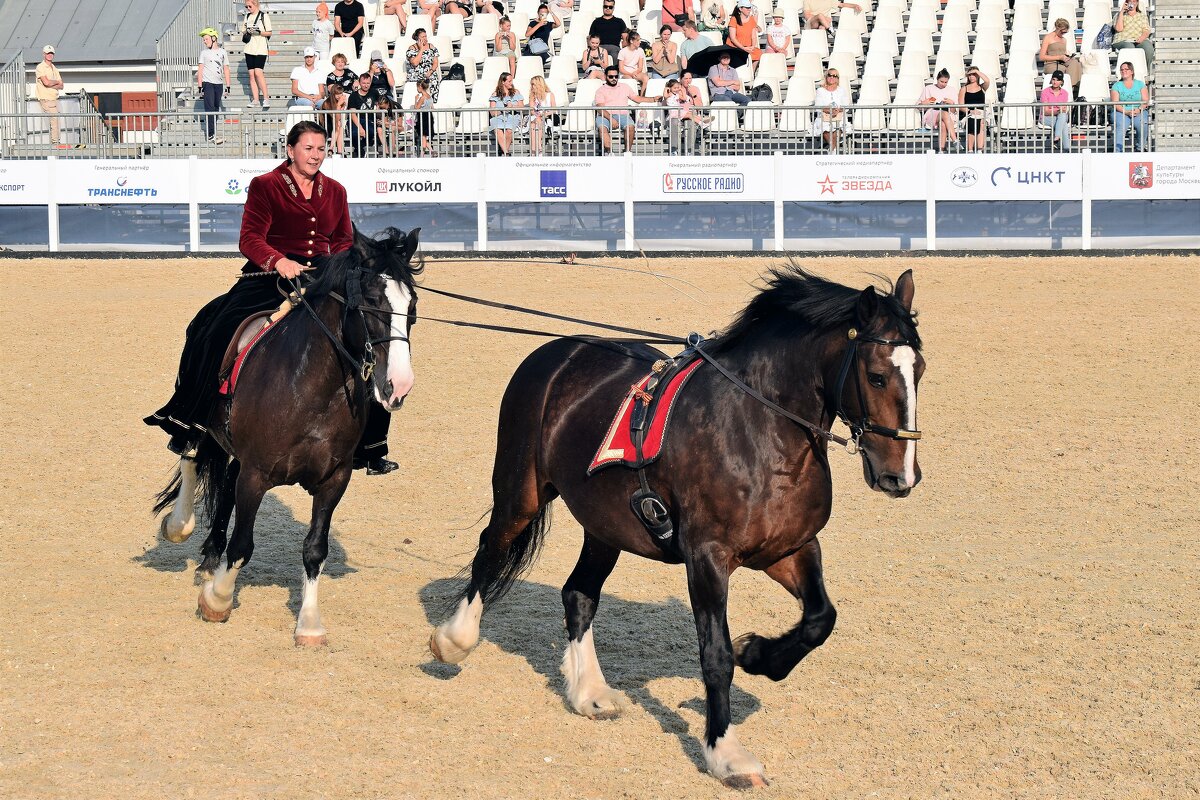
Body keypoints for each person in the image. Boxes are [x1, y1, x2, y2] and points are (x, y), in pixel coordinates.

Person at [145, 122, 400, 476]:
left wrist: (346, 268)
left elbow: (342, 241)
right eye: (308, 148)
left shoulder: (336, 191)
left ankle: (370, 447)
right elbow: (249, 238)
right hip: (269, 277)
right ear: (291, 150)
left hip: (322, 277)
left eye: (321, 149)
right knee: (215, 327)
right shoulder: (265, 186)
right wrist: (278, 260)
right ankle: (193, 424)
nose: (315, 155)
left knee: (369, 336)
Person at [594, 65, 661, 154]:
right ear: (606, 77)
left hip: (622, 115)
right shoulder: (600, 90)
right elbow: (600, 108)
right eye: (611, 76)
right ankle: (609, 153)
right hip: (605, 115)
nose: (614, 78)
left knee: (631, 126)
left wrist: (653, 99)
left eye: (616, 76)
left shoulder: (625, 87)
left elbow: (637, 98)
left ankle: (627, 152)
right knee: (602, 129)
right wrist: (611, 119)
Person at [197, 28, 230, 145]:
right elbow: (200, 69)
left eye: (206, 39)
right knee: (210, 108)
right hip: (208, 83)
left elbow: (226, 68)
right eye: (204, 39)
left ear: (214, 38)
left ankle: (213, 134)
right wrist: (200, 86)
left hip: (219, 84)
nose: (204, 41)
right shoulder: (204, 53)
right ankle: (210, 135)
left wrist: (228, 85)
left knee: (216, 108)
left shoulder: (223, 52)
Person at [1111, 61, 1149, 153]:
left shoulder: (1140, 84)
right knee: (1121, 125)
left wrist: (1139, 109)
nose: (1123, 71)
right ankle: (1118, 151)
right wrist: (1126, 112)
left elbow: (1145, 101)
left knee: (1142, 123)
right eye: (1121, 70)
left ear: (1132, 71)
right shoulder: (1116, 86)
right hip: (1121, 111)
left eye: (1126, 69)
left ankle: (1140, 148)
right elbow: (1115, 103)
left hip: (1138, 110)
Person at [920, 68, 959, 153]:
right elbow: (918, 106)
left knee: (943, 124)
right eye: (941, 81)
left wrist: (952, 103)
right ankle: (955, 140)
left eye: (946, 82)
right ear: (937, 79)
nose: (943, 84)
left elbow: (954, 110)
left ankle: (941, 150)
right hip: (932, 114)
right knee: (944, 114)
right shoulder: (928, 88)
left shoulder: (951, 89)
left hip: (948, 115)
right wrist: (925, 102)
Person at [242, 0, 272, 109]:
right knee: (251, 74)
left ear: (255, 4)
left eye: (249, 6)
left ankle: (266, 98)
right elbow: (243, 30)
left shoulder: (264, 16)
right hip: (249, 48)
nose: (248, 8)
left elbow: (269, 32)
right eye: (246, 7)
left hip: (261, 48)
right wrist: (248, 31)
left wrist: (259, 32)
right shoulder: (247, 16)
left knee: (258, 73)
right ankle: (255, 99)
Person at [1039, 18, 1081, 92]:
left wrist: (1067, 57)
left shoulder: (1064, 40)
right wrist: (1059, 57)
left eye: (1065, 33)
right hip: (1051, 63)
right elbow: (1042, 57)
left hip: (1063, 62)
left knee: (1076, 63)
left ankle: (1073, 88)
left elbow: (1063, 53)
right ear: (1058, 28)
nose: (1063, 34)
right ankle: (1068, 89)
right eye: (1062, 32)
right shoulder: (1048, 38)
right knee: (1063, 70)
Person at [814, 66, 849, 153]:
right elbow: (818, 106)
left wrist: (838, 110)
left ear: (837, 78)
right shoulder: (820, 90)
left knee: (838, 127)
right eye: (829, 75)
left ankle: (831, 151)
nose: (831, 77)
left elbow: (846, 106)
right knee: (825, 128)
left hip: (838, 116)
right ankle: (834, 151)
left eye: (834, 76)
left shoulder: (842, 90)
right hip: (824, 117)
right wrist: (829, 110)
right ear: (826, 77)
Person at [488, 72, 524, 155]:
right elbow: (492, 112)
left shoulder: (516, 92)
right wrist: (503, 109)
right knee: (497, 129)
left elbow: (522, 107)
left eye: (512, 81)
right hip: (499, 117)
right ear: (503, 82)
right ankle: (506, 153)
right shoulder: (495, 94)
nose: (511, 83)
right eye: (509, 81)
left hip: (513, 116)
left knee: (509, 130)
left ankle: (504, 153)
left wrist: (512, 107)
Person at [35, 45, 64, 145]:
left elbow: (61, 86)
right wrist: (55, 82)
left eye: (51, 53)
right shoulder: (40, 67)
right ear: (44, 54)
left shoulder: (54, 68)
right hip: (46, 99)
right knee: (54, 120)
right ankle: (55, 142)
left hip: (54, 98)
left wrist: (51, 83)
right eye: (48, 53)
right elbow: (46, 83)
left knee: (57, 121)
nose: (50, 55)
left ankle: (56, 141)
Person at [348, 72, 380, 156]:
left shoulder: (374, 92)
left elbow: (379, 105)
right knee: (355, 134)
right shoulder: (353, 96)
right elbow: (353, 113)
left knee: (370, 131)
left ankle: (364, 149)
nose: (366, 85)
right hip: (356, 120)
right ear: (359, 83)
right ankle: (360, 152)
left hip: (369, 120)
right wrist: (360, 128)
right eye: (364, 83)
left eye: (368, 83)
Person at [1113, 0, 1153, 66]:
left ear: (1137, 3)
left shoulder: (1142, 16)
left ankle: (1144, 71)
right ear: (1126, 3)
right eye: (1130, 1)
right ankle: (1131, 71)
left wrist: (1142, 38)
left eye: (1134, 1)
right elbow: (1119, 29)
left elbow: (1146, 30)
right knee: (1130, 47)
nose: (1132, 3)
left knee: (1148, 48)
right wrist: (1122, 12)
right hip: (1123, 39)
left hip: (1138, 39)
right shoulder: (1118, 15)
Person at [405, 29, 441, 103]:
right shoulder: (412, 48)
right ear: (417, 38)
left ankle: (432, 103)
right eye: (422, 36)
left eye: (425, 36)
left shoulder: (431, 46)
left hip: (429, 73)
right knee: (418, 82)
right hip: (416, 74)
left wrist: (430, 71)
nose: (425, 38)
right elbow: (415, 63)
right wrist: (421, 49)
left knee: (433, 80)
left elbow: (435, 62)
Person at [959, 65, 989, 153]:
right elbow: (961, 105)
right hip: (969, 113)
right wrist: (970, 110)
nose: (972, 76)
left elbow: (987, 80)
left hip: (981, 113)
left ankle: (980, 149)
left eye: (974, 74)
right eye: (970, 75)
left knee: (981, 123)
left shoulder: (982, 87)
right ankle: (970, 149)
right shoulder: (964, 89)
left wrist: (977, 71)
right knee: (972, 121)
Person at [1040, 69, 1070, 153]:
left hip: (1059, 116)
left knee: (1063, 116)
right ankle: (1067, 149)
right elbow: (1045, 111)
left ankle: (1056, 138)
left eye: (1058, 80)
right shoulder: (1045, 92)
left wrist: (1056, 110)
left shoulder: (1065, 93)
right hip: (1046, 117)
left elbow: (1064, 110)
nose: (1055, 82)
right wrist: (1058, 110)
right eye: (1053, 79)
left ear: (1061, 82)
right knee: (1063, 122)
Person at [527, 75, 557, 156]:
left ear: (538, 85)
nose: (531, 86)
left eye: (533, 84)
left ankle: (534, 152)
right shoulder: (532, 96)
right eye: (531, 84)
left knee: (537, 121)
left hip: (547, 117)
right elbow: (531, 110)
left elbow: (554, 109)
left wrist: (544, 114)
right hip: (536, 117)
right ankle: (538, 149)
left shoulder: (550, 95)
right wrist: (537, 114)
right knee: (535, 122)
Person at [322, 83, 349, 155]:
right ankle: (338, 151)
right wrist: (338, 106)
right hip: (326, 126)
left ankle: (333, 150)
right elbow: (336, 118)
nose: (338, 96)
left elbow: (338, 118)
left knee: (339, 127)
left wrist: (340, 105)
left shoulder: (341, 102)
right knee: (339, 126)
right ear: (333, 94)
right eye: (336, 94)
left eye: (340, 93)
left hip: (336, 126)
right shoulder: (327, 103)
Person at [411, 78, 436, 156]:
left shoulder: (422, 98)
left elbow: (416, 108)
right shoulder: (430, 97)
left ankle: (422, 154)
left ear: (420, 87)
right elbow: (432, 108)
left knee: (423, 137)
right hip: (429, 116)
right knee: (424, 136)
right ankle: (432, 151)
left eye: (417, 87)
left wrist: (415, 100)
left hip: (422, 118)